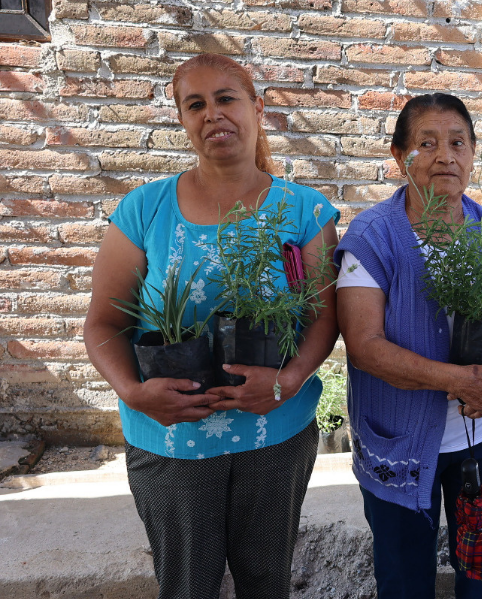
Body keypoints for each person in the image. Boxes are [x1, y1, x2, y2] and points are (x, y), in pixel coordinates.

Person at [83, 53, 340, 599]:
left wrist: (289, 379)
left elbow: (323, 317)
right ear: (181, 119)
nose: (212, 114)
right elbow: (103, 323)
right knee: (186, 586)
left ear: (257, 108)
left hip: (276, 433)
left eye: (226, 98)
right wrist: (133, 391)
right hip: (170, 438)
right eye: (195, 104)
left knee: (267, 581)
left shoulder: (304, 211)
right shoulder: (143, 210)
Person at [336, 92, 482, 598]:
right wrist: (463, 381)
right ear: (399, 157)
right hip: (400, 441)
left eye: (458, 142)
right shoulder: (373, 238)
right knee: (404, 580)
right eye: (426, 143)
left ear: (473, 153)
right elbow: (365, 346)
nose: (444, 156)